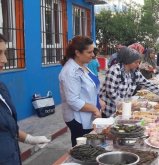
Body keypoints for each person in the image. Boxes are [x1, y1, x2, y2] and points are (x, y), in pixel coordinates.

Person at [0, 34, 50, 164]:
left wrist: (29, 139)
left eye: (4, 53)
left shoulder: (2, 88)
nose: (4, 60)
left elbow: (8, 127)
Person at [59, 36, 105, 146]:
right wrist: (94, 108)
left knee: (92, 146)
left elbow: (91, 88)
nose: (93, 55)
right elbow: (73, 101)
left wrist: (99, 100)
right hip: (78, 119)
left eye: (93, 51)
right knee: (82, 149)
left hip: (88, 116)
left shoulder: (83, 66)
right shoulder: (70, 72)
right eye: (89, 52)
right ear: (77, 53)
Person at [99, 47, 159, 117]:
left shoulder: (135, 72)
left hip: (125, 110)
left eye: (139, 62)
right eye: (136, 62)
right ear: (128, 61)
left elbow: (147, 83)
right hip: (110, 110)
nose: (138, 65)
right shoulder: (115, 70)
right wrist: (126, 104)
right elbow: (111, 93)